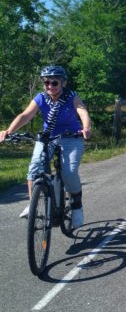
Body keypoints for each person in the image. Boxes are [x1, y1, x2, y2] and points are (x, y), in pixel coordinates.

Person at [0, 65, 92, 228]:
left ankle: (77, 207)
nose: (50, 86)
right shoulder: (41, 98)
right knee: (35, 168)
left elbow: (82, 111)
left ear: (63, 83)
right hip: (47, 138)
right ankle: (33, 204)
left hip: (71, 138)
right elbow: (25, 115)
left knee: (69, 173)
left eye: (54, 83)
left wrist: (86, 127)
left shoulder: (72, 96)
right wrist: (8, 130)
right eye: (46, 82)